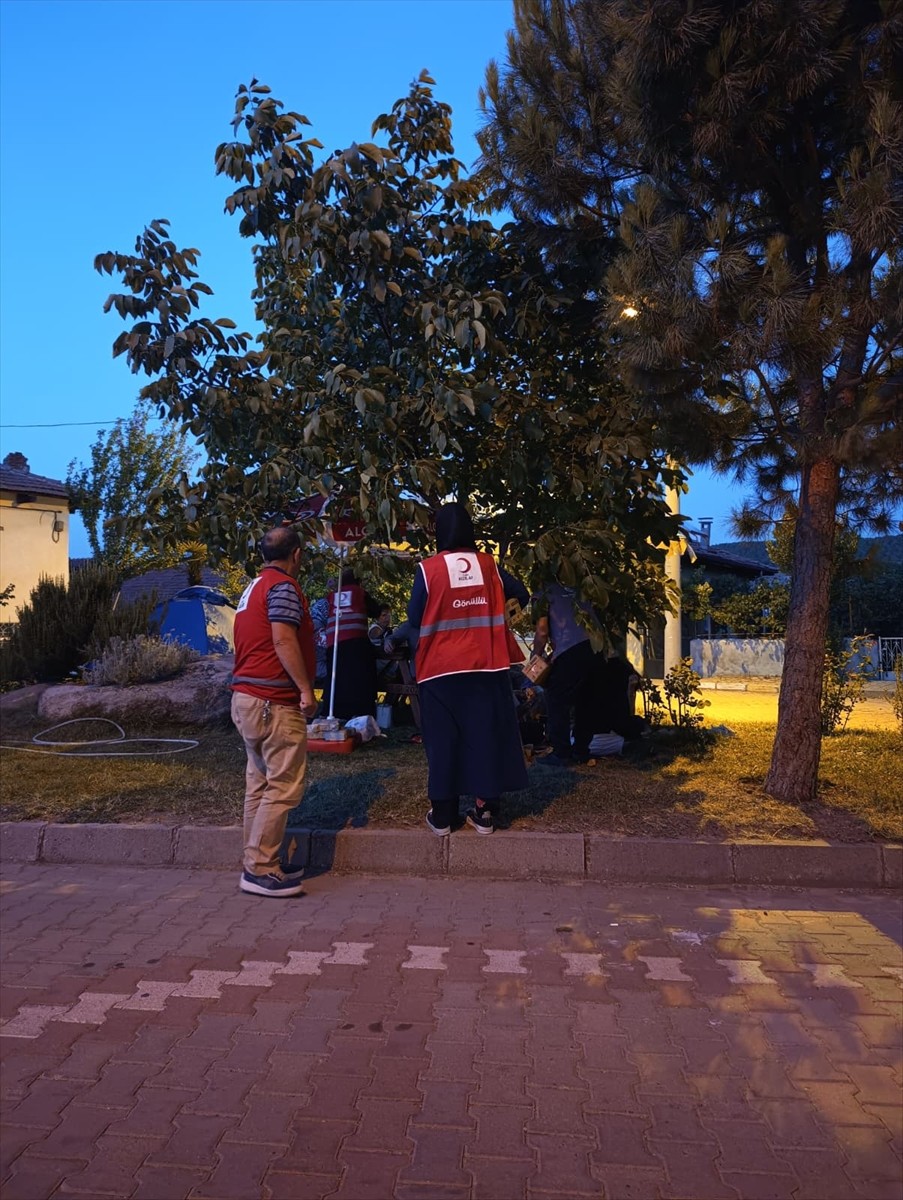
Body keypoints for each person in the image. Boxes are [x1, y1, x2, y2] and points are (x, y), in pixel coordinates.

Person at [408, 501, 529, 836]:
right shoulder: (489, 566)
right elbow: (521, 594)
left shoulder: (428, 569)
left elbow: (415, 617)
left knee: (443, 739)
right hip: (486, 665)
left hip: (440, 670)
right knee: (484, 734)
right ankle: (485, 812)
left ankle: (444, 815)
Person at [230, 526, 318, 898]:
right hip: (273, 702)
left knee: (260, 785)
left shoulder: (253, 588)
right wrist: (304, 690)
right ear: (296, 554)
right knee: (282, 787)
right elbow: (282, 638)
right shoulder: (282, 588)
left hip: (246, 698)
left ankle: (257, 860)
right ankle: (260, 869)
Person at [532, 581, 600, 766]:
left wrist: (535, 656)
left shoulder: (543, 592)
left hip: (569, 648)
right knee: (586, 700)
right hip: (596, 647)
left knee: (556, 698)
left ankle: (561, 753)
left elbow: (542, 630)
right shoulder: (580, 587)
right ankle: (581, 751)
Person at [324, 569, 382, 719]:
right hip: (356, 643)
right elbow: (376, 611)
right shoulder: (359, 592)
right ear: (358, 581)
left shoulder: (331, 596)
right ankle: (363, 713)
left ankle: (335, 712)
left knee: (336, 680)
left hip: (333, 645)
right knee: (362, 678)